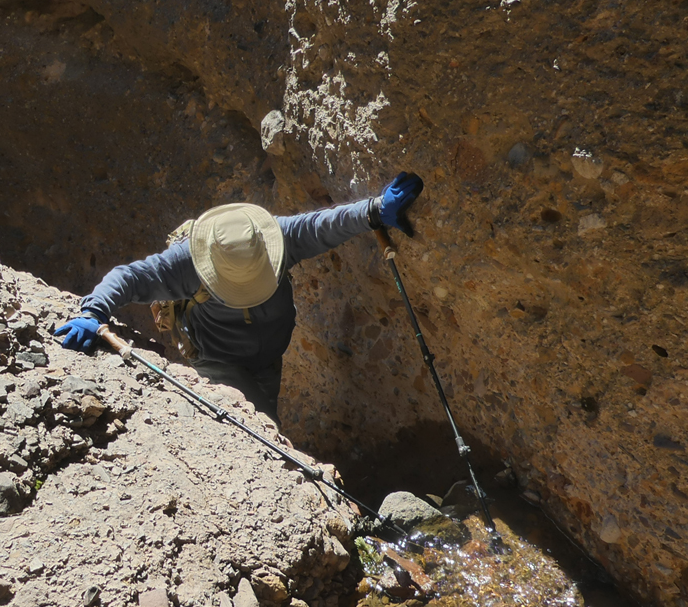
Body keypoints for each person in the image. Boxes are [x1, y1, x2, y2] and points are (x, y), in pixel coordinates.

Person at [55, 172, 424, 426]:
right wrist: (93, 311)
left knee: (268, 419)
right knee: (262, 433)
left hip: (268, 360)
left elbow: (323, 225)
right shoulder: (188, 262)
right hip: (218, 363)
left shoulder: (274, 238)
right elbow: (130, 277)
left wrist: (375, 210)